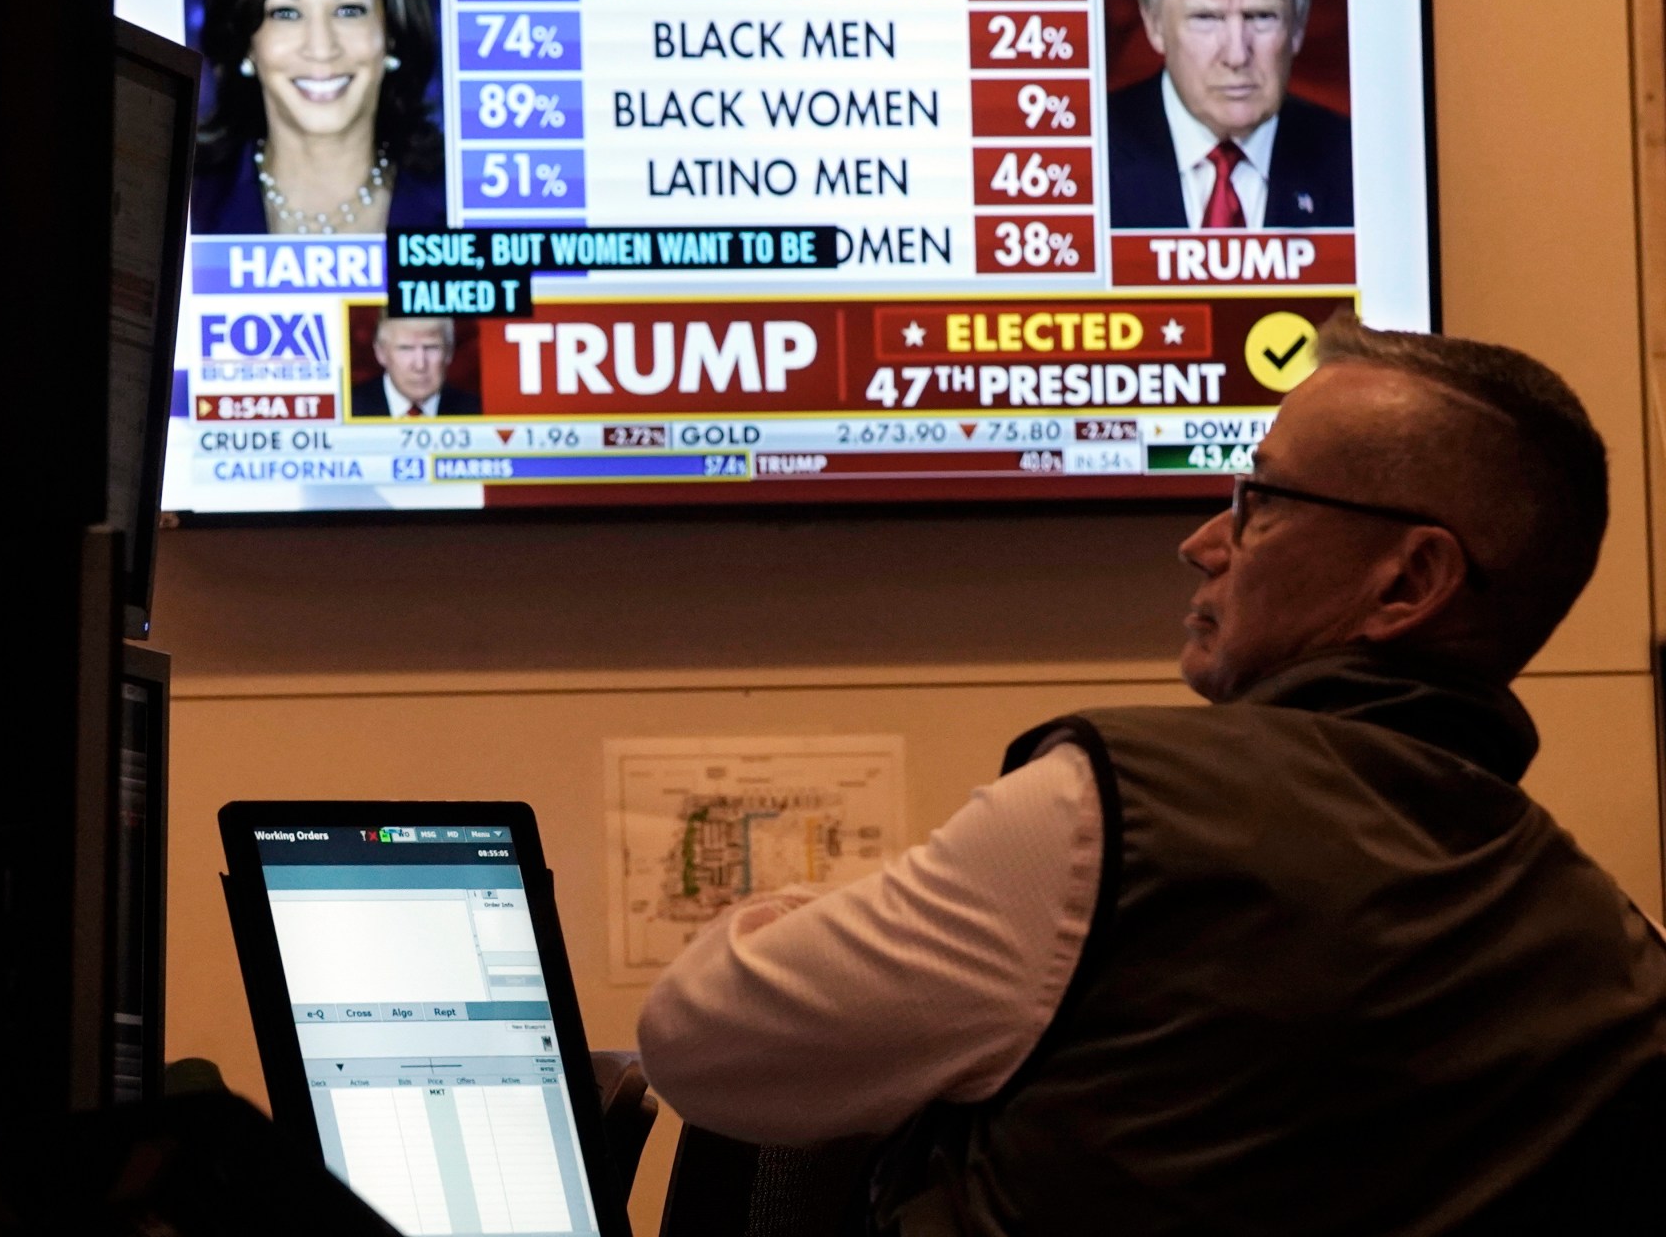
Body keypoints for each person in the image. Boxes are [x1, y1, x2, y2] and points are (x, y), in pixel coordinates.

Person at [639, 314, 1666, 1234]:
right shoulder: (1618, 958)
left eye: (1257, 501)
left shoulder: (1111, 813)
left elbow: (700, 1043)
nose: (1202, 543)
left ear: (1409, 580)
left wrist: (800, 914)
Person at [191, 0, 446, 236]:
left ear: (391, 30)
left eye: (349, 9)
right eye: (285, 13)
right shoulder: (188, 204)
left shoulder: (461, 198)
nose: (321, 47)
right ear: (246, 42)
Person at [1106, 0, 1355, 229]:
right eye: (1206, 18)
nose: (1237, 55)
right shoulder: (1087, 154)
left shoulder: (1355, 160)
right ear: (1154, 23)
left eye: (1261, 16)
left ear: (1298, 24)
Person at [350, 314, 478, 417]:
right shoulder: (350, 409)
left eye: (431, 348)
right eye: (406, 348)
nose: (420, 365)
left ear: (449, 352)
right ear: (381, 353)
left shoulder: (476, 411)